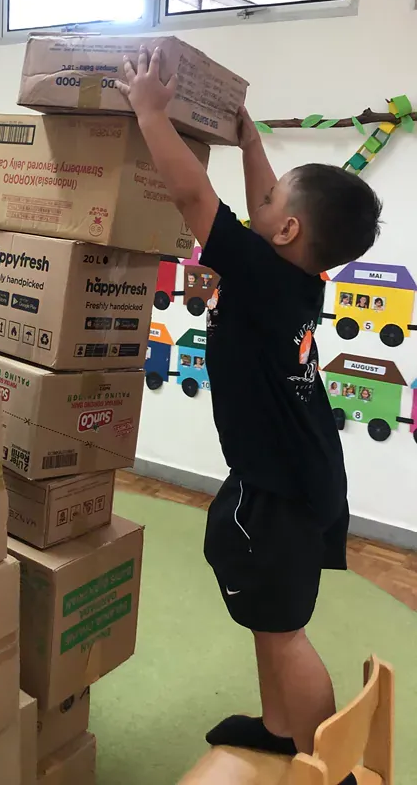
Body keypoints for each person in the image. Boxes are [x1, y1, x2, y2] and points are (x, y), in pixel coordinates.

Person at [117, 47, 382, 785]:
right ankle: (276, 731)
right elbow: (266, 207)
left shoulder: (261, 273)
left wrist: (149, 110)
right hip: (310, 475)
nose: (255, 205)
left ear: (286, 232)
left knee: (286, 633)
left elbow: (189, 194)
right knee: (271, 621)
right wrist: (253, 142)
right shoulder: (298, 279)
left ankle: (327, 767)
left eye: (268, 205)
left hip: (279, 493)